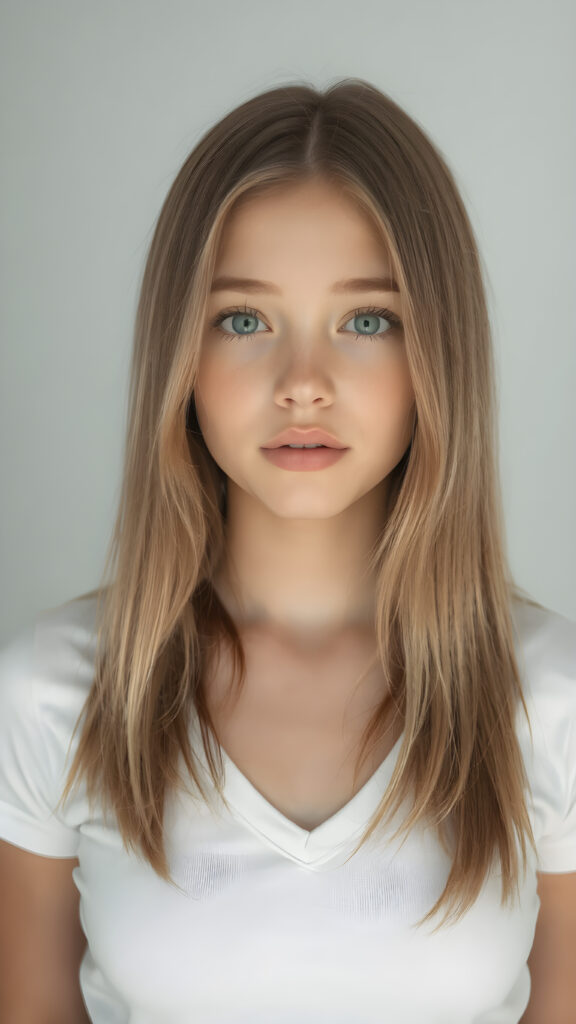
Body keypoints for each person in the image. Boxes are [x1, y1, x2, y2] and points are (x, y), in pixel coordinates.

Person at [0, 77, 575, 1024]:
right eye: (243, 320)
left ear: (439, 354)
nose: (302, 384)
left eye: (365, 321)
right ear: (179, 354)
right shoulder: (57, 693)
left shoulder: (550, 700)